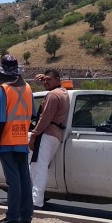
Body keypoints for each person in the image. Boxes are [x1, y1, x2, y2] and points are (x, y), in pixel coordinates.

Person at [0, 54, 34, 223]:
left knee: (13, 181)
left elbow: (0, 120)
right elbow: (32, 116)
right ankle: (26, 217)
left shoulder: (4, 90)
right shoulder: (28, 88)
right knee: (24, 180)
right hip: (22, 140)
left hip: (7, 141)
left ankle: (13, 217)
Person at [30, 69, 70, 209]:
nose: (45, 82)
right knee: (35, 166)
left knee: (40, 167)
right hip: (56, 134)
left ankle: (36, 201)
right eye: (44, 80)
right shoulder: (63, 92)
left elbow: (44, 118)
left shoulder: (53, 96)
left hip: (47, 134)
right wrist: (45, 80)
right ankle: (27, 197)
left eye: (49, 80)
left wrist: (33, 135)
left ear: (58, 80)